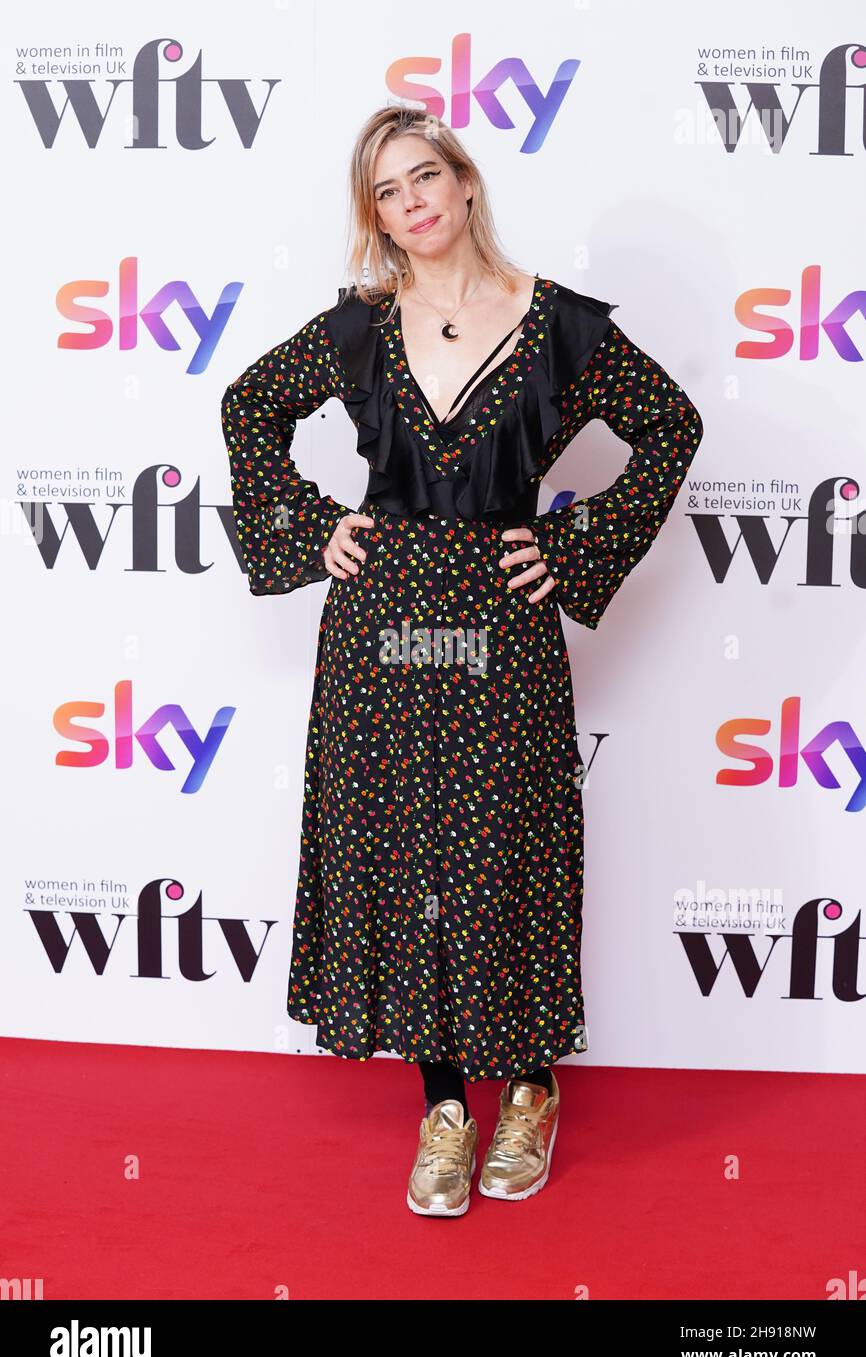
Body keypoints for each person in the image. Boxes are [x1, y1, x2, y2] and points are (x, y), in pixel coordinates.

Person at [220, 104, 704, 1218]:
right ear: (374, 215)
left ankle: (527, 1088)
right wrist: (308, 528)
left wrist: (576, 541)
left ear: (466, 182)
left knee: (511, 849)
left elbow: (669, 428)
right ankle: (441, 1106)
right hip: (378, 628)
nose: (411, 203)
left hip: (501, 627)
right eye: (386, 191)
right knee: (403, 853)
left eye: (424, 176)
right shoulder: (356, 328)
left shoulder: (560, 326)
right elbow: (247, 408)